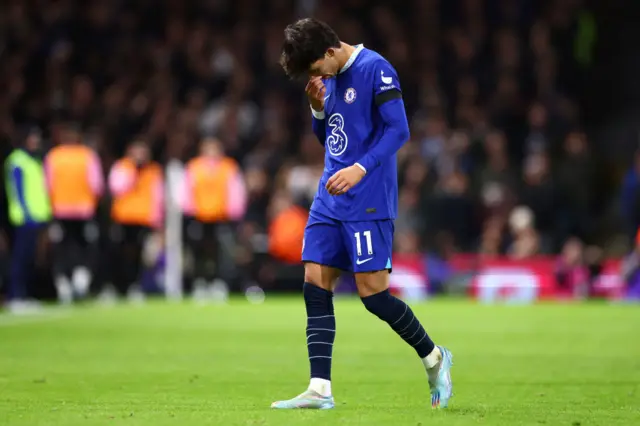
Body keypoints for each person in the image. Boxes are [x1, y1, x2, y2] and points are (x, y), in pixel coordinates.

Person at [271, 18, 453, 410]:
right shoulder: (329, 78)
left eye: (316, 68)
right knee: (314, 282)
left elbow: (399, 131)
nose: (316, 76)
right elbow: (331, 137)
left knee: (374, 296)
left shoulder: (376, 69)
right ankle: (320, 388)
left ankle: (434, 357)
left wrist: (360, 168)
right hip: (329, 197)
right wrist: (318, 110)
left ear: (330, 51)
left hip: (368, 198)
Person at [44, 124, 104, 303]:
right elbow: (97, 185)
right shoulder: (87, 156)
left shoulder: (54, 156)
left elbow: (47, 185)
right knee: (85, 247)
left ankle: (64, 284)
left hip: (60, 210)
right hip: (84, 210)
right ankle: (80, 280)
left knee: (62, 248)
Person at [4, 127, 52, 312]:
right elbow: (17, 191)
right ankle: (15, 296)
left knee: (32, 258)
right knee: (20, 258)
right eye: (33, 138)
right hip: (24, 217)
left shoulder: (35, 160)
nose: (37, 142)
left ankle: (25, 295)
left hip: (38, 216)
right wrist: (25, 212)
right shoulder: (18, 161)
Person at [108, 139, 163, 298]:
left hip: (144, 219)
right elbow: (116, 188)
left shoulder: (153, 170)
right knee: (121, 254)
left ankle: (135, 286)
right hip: (124, 218)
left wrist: (157, 220)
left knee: (141, 256)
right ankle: (118, 286)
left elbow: (157, 196)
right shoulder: (123, 167)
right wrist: (133, 172)